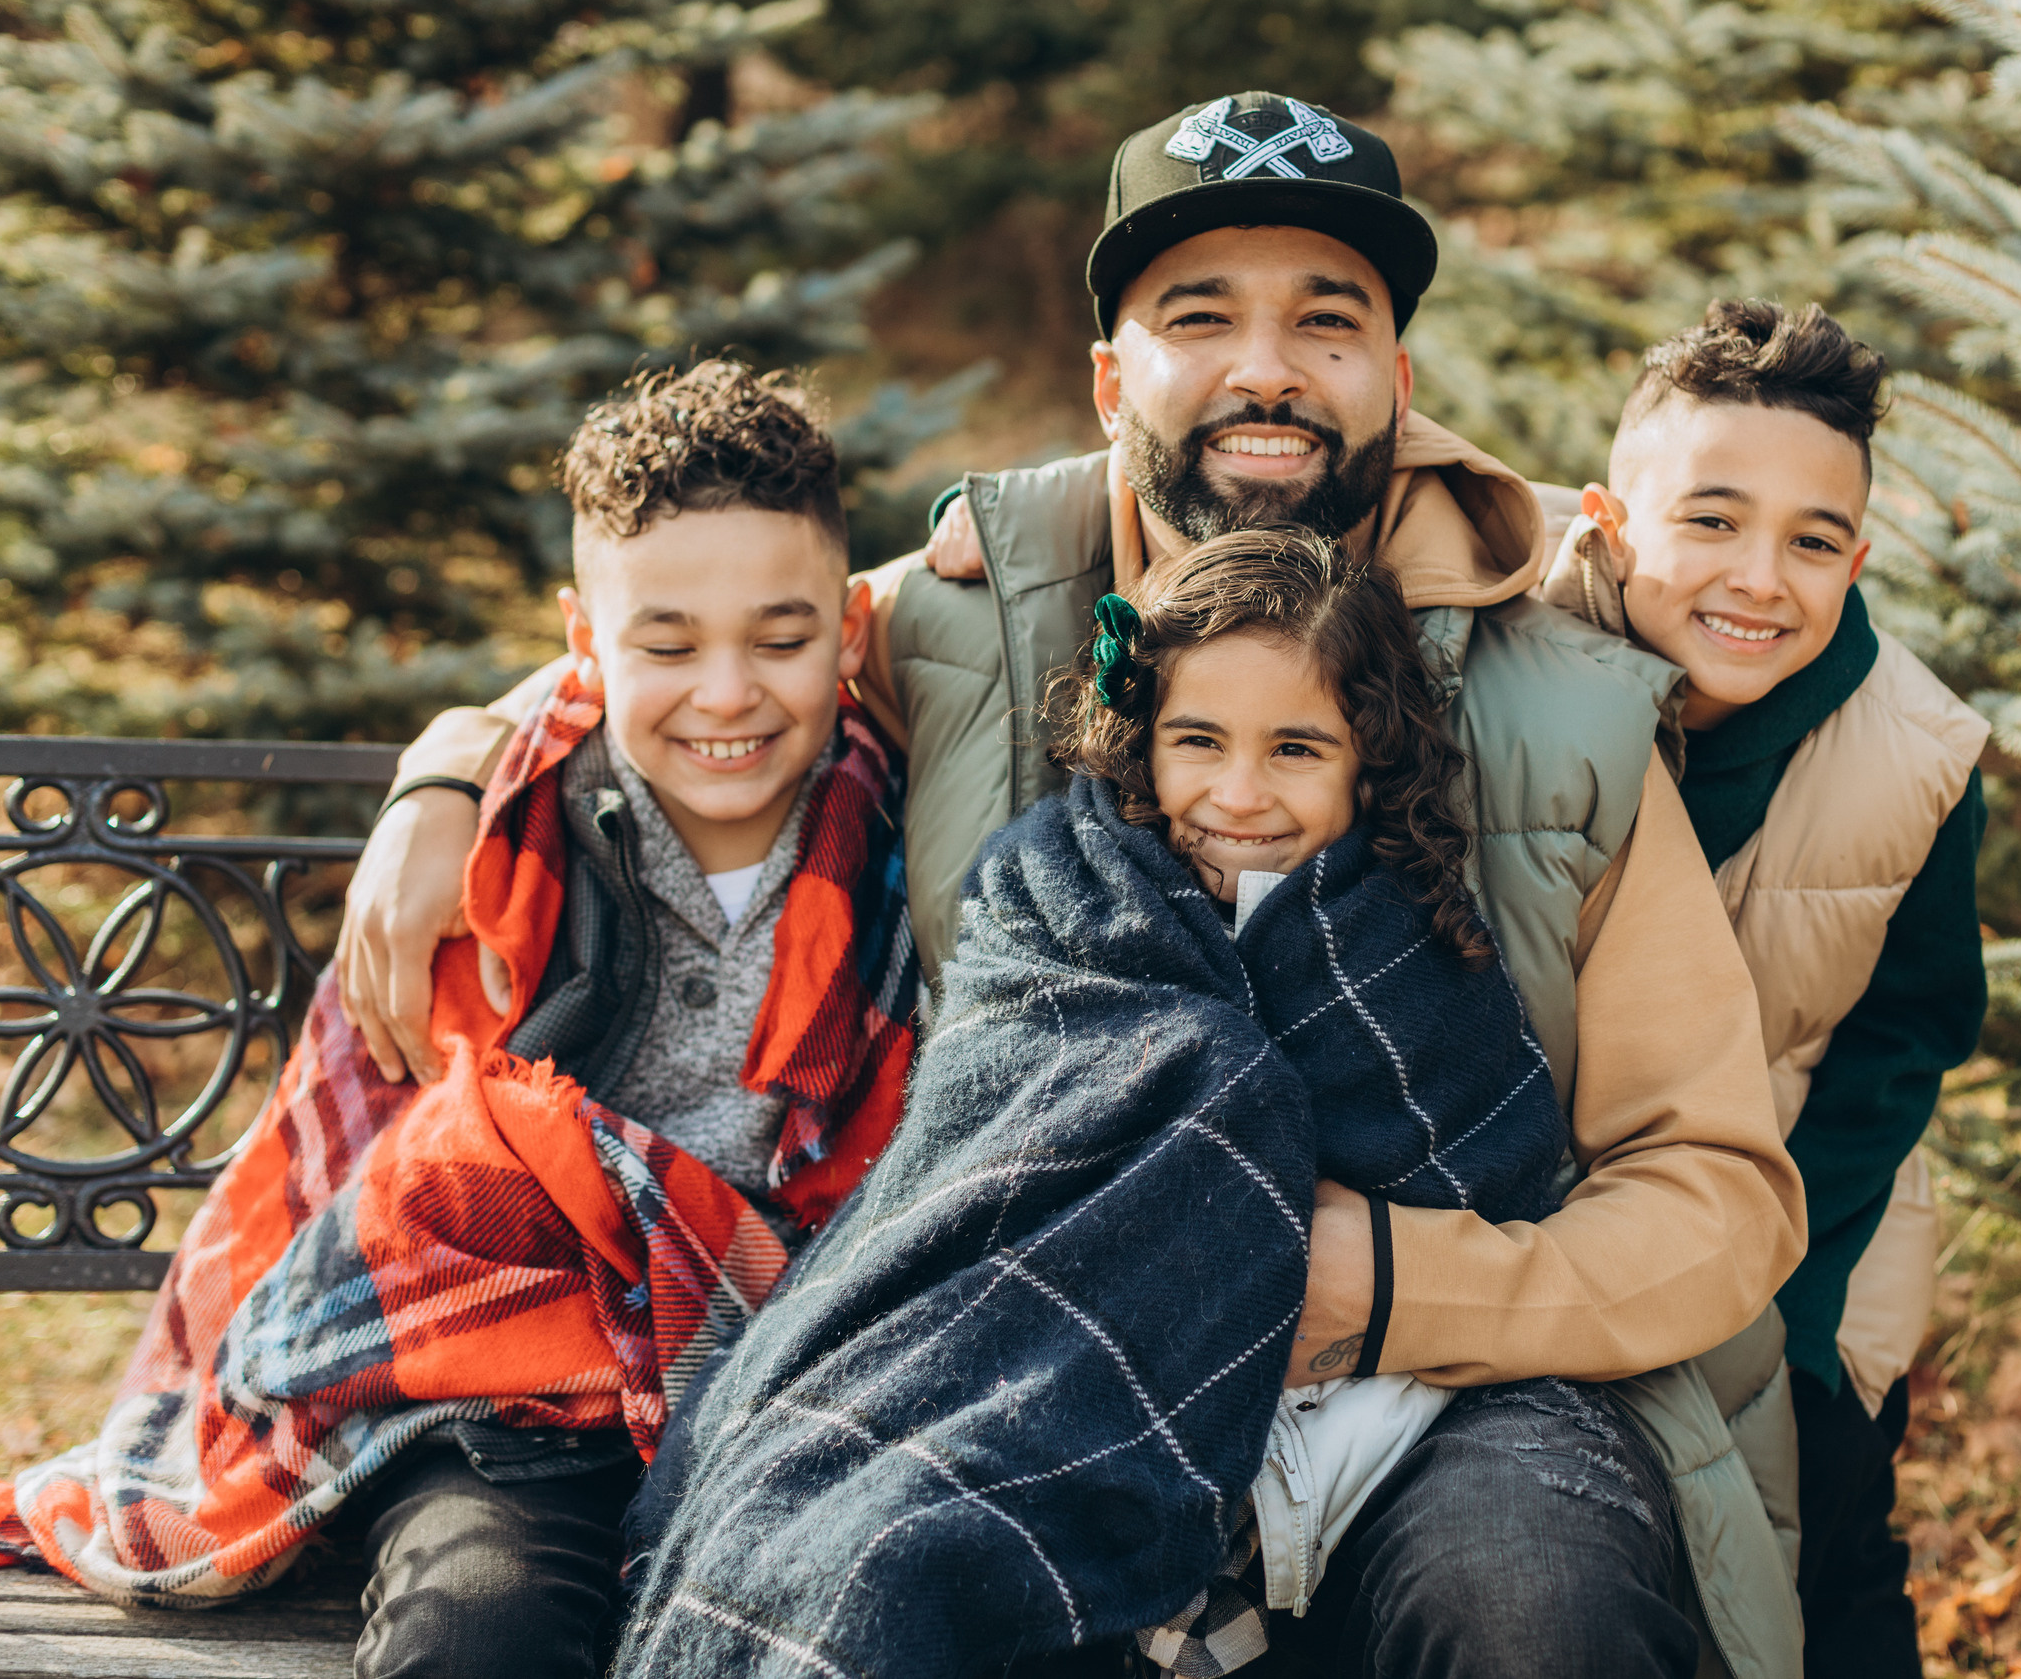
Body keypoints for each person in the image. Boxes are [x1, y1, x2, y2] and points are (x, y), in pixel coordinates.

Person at [343, 92, 1807, 1678]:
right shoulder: (981, 614)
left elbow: (1718, 1194)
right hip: (1041, 1342)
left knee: (1544, 1610)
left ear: (1398, 376)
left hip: (1441, 1370)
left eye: (1328, 320)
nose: (1268, 368)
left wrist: (1371, 1283)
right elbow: (709, 645)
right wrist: (456, 761)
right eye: (1203, 317)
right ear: (1113, 377)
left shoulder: (1561, 709)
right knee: (893, 1576)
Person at [0, 361, 919, 1679]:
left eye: (779, 636)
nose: (725, 692)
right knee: (479, 1630)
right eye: (666, 642)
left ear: (850, 626)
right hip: (500, 1389)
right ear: (583, 640)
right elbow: (394, 1177)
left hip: (776, 1378)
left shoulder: (906, 843)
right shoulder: (498, 852)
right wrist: (446, 773)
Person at [618, 529, 1662, 1679]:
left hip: (1387, 1405)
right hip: (1057, 1364)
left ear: (1365, 760)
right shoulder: (1056, 899)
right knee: (879, 1549)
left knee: (1543, 1597)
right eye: (1197, 742)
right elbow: (983, 1173)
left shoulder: (1414, 946)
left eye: (1297, 749)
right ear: (1141, 740)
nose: (1238, 794)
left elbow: (1487, 1162)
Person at [1537, 299, 1990, 1679]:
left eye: (1811, 541)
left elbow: (1901, 1044)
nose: (1760, 577)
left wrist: (1775, 1298)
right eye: (1713, 520)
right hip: (1532, 1226)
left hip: (1806, 1237)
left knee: (1821, 1561)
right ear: (1615, 522)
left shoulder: (1916, 756)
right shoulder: (1502, 653)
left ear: (1857, 557)